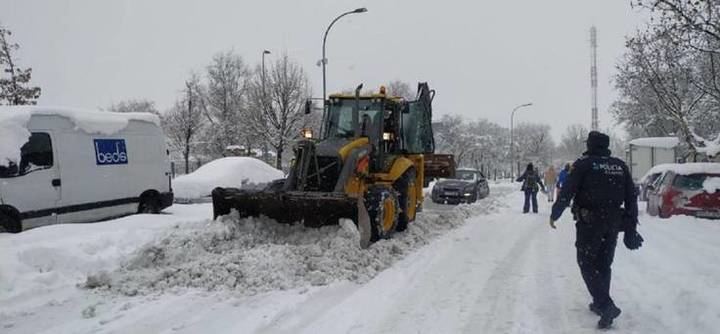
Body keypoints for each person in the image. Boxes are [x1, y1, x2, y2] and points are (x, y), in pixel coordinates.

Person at [549, 131, 644, 330]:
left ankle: (605, 304)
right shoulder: (619, 166)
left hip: (590, 222)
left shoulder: (583, 164)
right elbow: (631, 197)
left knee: (586, 262)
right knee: (604, 264)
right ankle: (601, 304)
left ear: (590, 145)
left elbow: (567, 191)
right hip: (613, 223)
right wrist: (630, 228)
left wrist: (555, 213)